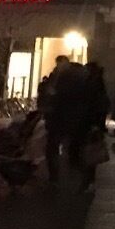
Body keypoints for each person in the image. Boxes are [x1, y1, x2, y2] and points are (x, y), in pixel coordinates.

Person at [41, 54, 87, 182]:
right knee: (61, 146)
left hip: (63, 116)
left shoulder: (68, 77)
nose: (58, 66)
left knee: (60, 146)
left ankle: (62, 175)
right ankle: (63, 175)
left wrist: (53, 96)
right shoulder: (64, 76)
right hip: (64, 117)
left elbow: (61, 96)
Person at [74, 64, 111, 189]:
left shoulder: (90, 85)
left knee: (86, 149)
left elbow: (90, 105)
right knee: (91, 150)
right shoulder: (98, 85)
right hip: (91, 122)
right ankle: (89, 178)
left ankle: (86, 179)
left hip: (87, 122)